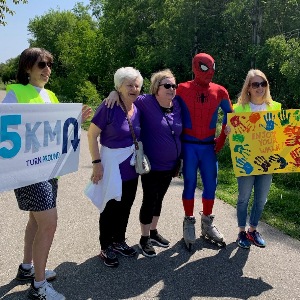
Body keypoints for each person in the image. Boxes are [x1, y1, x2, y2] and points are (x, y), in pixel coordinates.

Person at [2, 47, 91, 300]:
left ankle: (27, 268)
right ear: (27, 68)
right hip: (29, 172)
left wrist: (76, 120)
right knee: (49, 224)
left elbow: (56, 128)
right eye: (41, 64)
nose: (47, 70)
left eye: (49, 65)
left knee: (35, 221)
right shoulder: (16, 92)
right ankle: (39, 287)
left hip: (50, 170)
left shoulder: (50, 95)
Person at [105, 69, 182, 257]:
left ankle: (153, 232)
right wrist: (114, 92)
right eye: (167, 85)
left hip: (171, 165)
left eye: (174, 85)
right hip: (150, 165)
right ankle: (144, 238)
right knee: (150, 199)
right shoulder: (146, 102)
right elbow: (127, 95)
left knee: (159, 199)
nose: (172, 89)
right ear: (157, 88)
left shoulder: (178, 104)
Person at [87, 67, 143, 267]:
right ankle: (106, 247)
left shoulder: (137, 108)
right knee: (110, 207)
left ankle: (119, 241)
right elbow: (91, 135)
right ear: (119, 86)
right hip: (111, 165)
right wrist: (96, 164)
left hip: (131, 168)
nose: (134, 89)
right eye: (129, 85)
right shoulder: (108, 106)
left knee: (126, 206)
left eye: (137, 85)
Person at [177, 53, 233, 249]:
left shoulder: (220, 91)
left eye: (213, 67)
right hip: (189, 146)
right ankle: (189, 221)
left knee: (211, 185)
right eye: (204, 67)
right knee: (189, 185)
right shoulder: (181, 89)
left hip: (209, 146)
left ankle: (207, 223)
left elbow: (231, 114)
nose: (210, 72)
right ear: (194, 67)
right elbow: (162, 104)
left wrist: (223, 138)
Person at [230, 69, 281, 249]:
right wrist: (229, 131)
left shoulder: (276, 108)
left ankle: (253, 230)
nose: (260, 87)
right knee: (243, 198)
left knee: (261, 199)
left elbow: (281, 136)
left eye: (263, 83)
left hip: (268, 162)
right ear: (248, 88)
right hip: (246, 161)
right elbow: (233, 135)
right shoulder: (238, 109)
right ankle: (241, 232)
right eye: (255, 84)